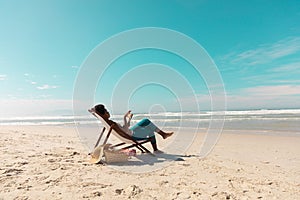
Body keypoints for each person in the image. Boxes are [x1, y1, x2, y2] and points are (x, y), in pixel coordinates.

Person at [93, 104, 173, 153]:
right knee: (149, 126)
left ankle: (163, 135)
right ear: (103, 114)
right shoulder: (112, 124)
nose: (108, 112)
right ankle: (159, 142)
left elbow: (124, 130)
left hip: (129, 133)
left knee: (146, 122)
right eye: (106, 111)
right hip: (131, 136)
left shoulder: (109, 123)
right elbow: (125, 130)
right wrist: (127, 118)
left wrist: (126, 117)